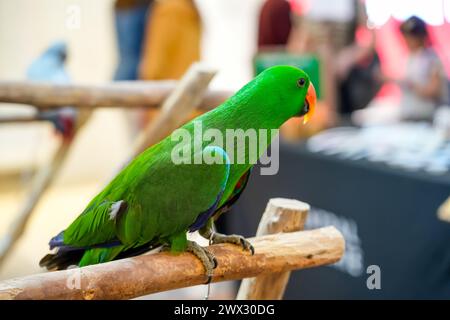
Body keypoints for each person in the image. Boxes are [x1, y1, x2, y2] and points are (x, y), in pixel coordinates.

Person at [395, 16, 448, 121]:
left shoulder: (432, 58)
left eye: (411, 37)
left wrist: (410, 84)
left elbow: (433, 91)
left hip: (428, 118)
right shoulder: (410, 57)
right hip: (411, 117)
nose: (407, 41)